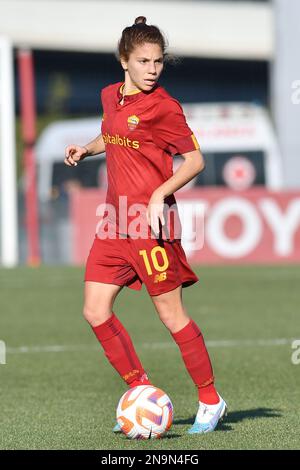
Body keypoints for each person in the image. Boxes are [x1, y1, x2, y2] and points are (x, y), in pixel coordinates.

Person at [64, 16, 227, 434]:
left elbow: (194, 160)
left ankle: (211, 401)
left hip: (150, 226)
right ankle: (141, 393)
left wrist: (158, 194)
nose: (153, 69)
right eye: (144, 61)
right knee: (94, 311)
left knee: (171, 316)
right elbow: (112, 135)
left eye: (158, 62)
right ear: (124, 61)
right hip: (114, 223)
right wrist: (87, 149)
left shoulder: (164, 108)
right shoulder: (108, 96)